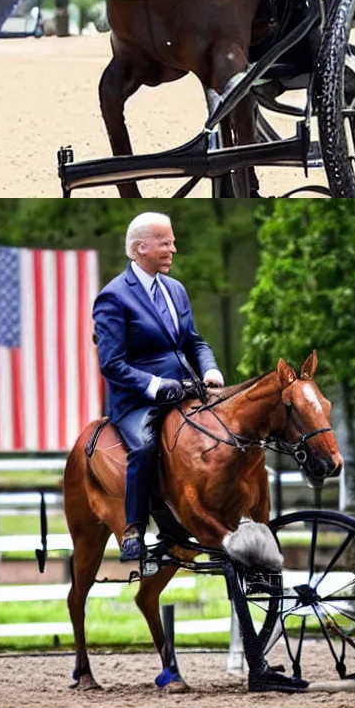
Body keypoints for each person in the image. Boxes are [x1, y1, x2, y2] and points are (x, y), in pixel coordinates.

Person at [93, 212, 224, 562]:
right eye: (166, 243)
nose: (173, 249)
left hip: (187, 388)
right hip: (138, 400)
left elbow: (193, 342)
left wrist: (210, 370)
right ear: (140, 248)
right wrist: (155, 385)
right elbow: (112, 364)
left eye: (172, 242)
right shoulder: (113, 298)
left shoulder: (176, 289)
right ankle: (134, 528)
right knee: (146, 447)